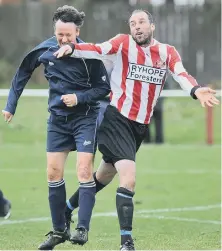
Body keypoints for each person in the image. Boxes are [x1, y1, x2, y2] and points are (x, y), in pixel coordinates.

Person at [54, 9, 220, 251]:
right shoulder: (122, 43)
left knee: (102, 177)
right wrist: (72, 48)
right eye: (133, 23)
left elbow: (181, 74)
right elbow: (97, 49)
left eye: (142, 22)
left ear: (152, 26)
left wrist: (196, 90)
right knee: (128, 179)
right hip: (116, 119)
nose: (137, 26)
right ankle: (127, 243)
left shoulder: (166, 52)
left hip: (139, 127)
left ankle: (66, 210)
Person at [2, 5, 110, 250]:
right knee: (53, 173)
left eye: (68, 35)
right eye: (60, 34)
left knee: (84, 171)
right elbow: (22, 73)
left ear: (77, 32)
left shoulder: (88, 54)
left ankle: (82, 228)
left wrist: (78, 98)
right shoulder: (45, 49)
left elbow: (103, 89)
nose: (63, 39)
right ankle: (59, 230)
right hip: (57, 121)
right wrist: (11, 105)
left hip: (85, 118)